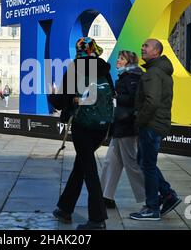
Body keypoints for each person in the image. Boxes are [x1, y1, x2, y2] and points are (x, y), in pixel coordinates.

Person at [50, 37, 114, 230]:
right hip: (102, 127)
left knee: (89, 171)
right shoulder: (104, 68)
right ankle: (65, 208)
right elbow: (112, 93)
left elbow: (61, 102)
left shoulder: (75, 68)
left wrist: (52, 93)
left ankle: (97, 219)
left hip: (83, 126)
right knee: (81, 166)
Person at [129, 39, 181, 221]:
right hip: (156, 123)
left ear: (156, 52)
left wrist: (139, 121)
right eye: (142, 45)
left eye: (146, 46)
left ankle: (152, 208)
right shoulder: (160, 71)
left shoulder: (153, 72)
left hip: (151, 124)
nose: (142, 48)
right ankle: (168, 195)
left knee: (147, 165)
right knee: (143, 161)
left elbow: (151, 102)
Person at [100, 51, 146, 209]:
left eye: (121, 59)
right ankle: (105, 196)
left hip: (127, 125)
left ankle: (150, 197)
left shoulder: (132, 77)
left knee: (131, 163)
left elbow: (135, 100)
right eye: (119, 58)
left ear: (129, 62)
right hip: (120, 125)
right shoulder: (125, 76)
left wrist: (116, 96)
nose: (118, 61)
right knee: (110, 162)